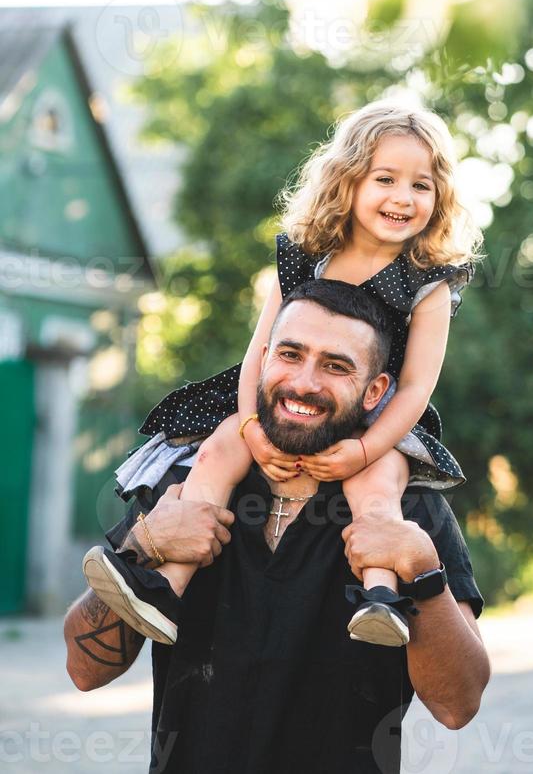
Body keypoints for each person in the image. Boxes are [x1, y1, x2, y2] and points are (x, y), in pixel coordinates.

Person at [82, 99, 484, 648]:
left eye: (421, 186)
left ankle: (380, 597)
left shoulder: (427, 284)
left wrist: (365, 450)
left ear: (439, 199)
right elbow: (260, 353)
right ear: (348, 180)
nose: (402, 198)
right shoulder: (307, 255)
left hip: (376, 415)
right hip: (279, 399)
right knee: (219, 446)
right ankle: (166, 585)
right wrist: (249, 427)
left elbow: (414, 387)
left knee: (379, 482)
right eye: (385, 179)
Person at [66, 280, 489, 774]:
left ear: (375, 391)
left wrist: (424, 574)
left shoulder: (409, 512)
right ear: (262, 359)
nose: (304, 383)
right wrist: (142, 546)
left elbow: (457, 706)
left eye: (335, 366)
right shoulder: (184, 488)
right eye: (291, 354)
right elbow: (85, 671)